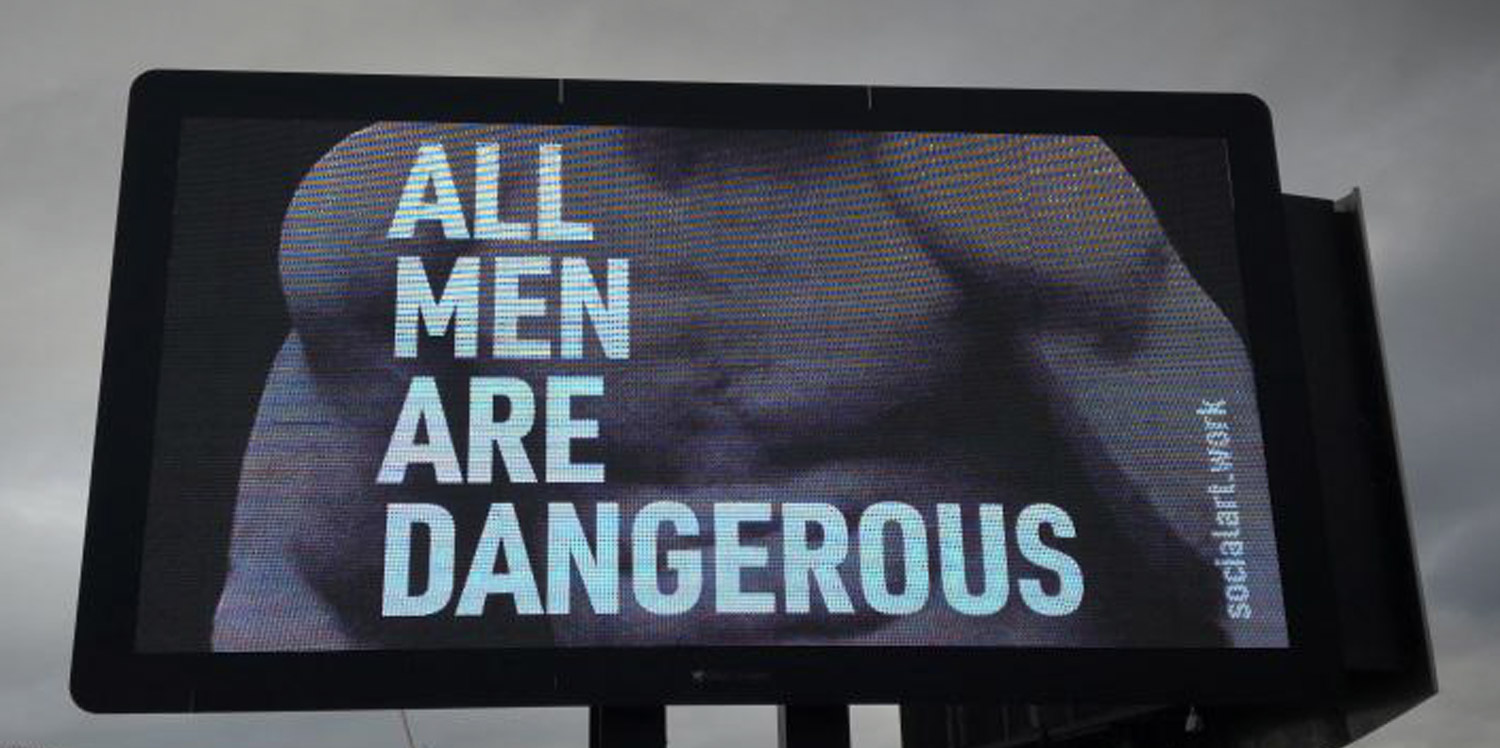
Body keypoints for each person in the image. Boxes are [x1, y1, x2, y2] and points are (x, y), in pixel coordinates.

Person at [211, 124, 1281, 652]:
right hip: (626, 717)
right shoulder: (419, 200)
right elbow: (287, 582)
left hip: (961, 702)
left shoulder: (994, 171)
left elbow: (1243, 557)